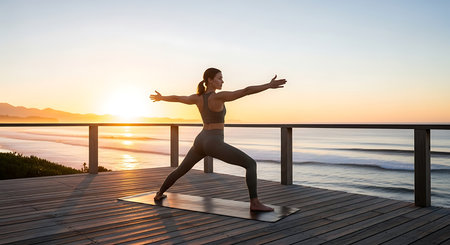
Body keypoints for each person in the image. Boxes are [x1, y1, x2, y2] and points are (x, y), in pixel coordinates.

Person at [149, 68, 287, 211]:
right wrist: (268, 85)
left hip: (200, 140)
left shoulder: (197, 98)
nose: (222, 81)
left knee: (182, 169)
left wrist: (162, 97)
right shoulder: (218, 97)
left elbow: (178, 98)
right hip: (213, 142)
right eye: (219, 78)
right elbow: (246, 91)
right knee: (250, 164)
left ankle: (159, 194)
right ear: (210, 80)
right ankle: (255, 203)